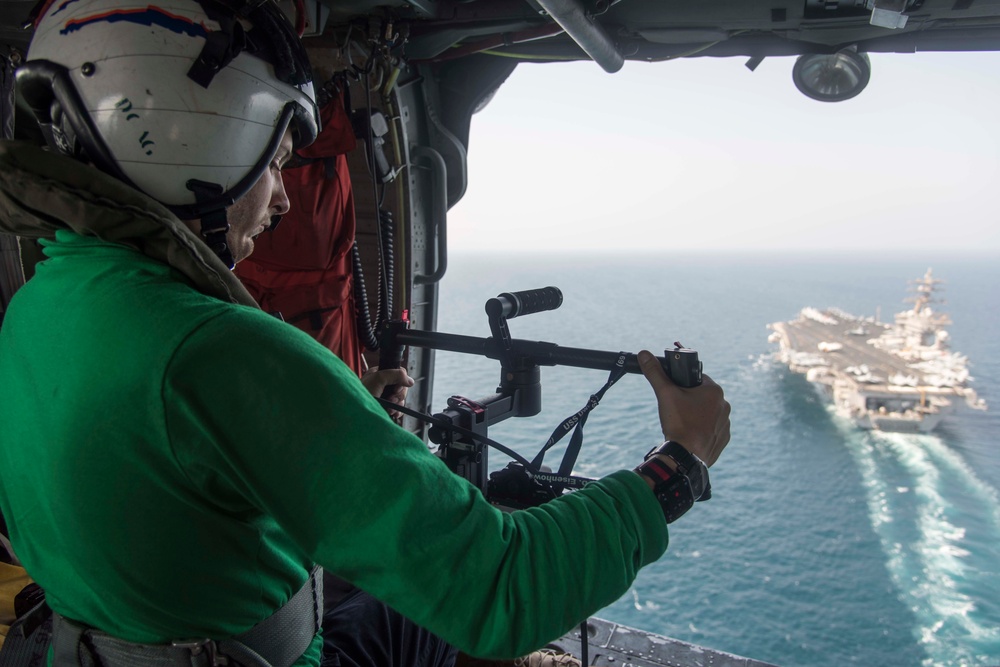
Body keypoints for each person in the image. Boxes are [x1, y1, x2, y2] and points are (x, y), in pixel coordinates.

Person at [0, 2, 732, 667]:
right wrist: (680, 463)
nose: (284, 197)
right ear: (200, 139)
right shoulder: (217, 348)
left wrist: (327, 416)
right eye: (277, 161)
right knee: (457, 622)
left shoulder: (42, 303)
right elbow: (501, 584)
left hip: (86, 644)